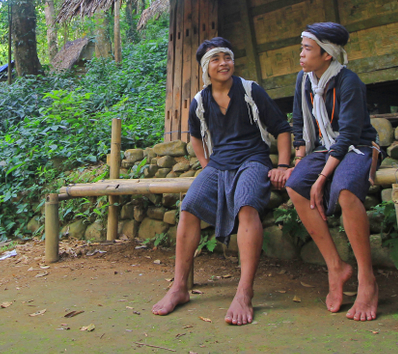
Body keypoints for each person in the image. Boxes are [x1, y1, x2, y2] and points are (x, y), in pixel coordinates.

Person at [152, 37, 292, 325]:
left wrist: (283, 164)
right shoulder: (200, 102)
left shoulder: (251, 90)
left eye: (226, 57)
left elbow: (281, 128)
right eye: (215, 59)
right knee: (189, 205)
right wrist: (207, 167)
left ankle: (244, 292)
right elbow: (194, 136)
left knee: (247, 205)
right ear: (206, 67)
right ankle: (179, 287)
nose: (223, 63)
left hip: (254, 159)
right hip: (218, 164)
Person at [269, 22, 381, 321]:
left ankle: (367, 280)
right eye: (302, 48)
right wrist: (301, 158)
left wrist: (320, 179)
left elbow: (347, 136)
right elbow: (298, 124)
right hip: (322, 148)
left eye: (307, 49)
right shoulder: (304, 80)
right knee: (294, 184)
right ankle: (336, 266)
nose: (301, 55)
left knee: (344, 192)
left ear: (327, 54)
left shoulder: (349, 82)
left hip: (357, 146)